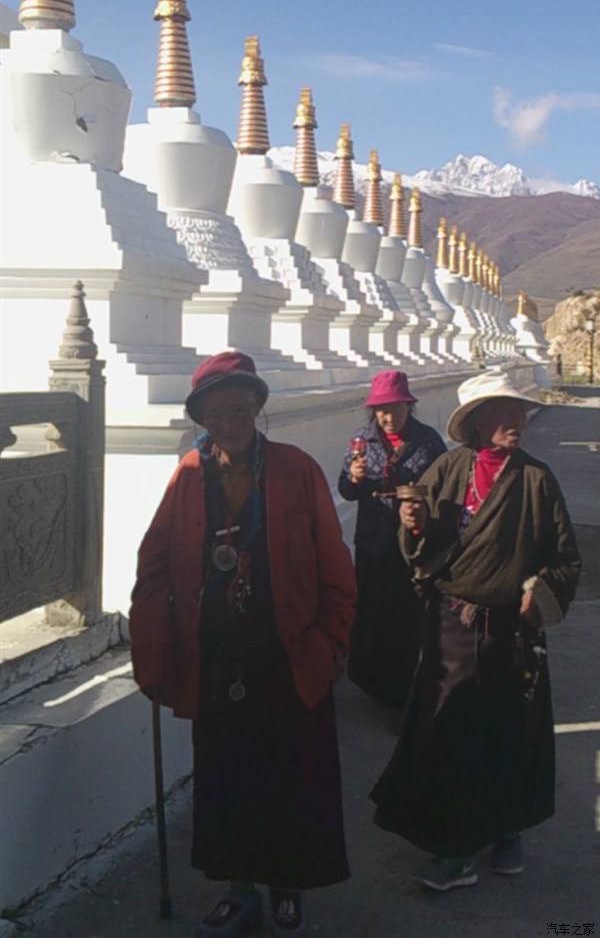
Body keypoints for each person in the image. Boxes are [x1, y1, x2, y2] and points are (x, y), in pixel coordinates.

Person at [129, 352, 356, 938]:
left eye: (239, 408)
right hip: (217, 658)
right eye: (215, 412)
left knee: (290, 775)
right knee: (227, 777)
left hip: (288, 653)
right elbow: (154, 565)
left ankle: (287, 888)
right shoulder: (188, 476)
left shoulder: (295, 468)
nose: (228, 421)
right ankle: (239, 891)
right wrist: (152, 649)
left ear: (257, 408)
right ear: (201, 417)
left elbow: (334, 560)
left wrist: (332, 641)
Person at [370, 370, 581, 889]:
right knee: (450, 733)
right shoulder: (449, 469)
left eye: (519, 411)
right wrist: (414, 526)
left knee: (509, 733)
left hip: (511, 632)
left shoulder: (536, 480)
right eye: (503, 412)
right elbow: (421, 547)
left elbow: (565, 557)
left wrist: (538, 593)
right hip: (452, 626)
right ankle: (456, 847)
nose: (516, 420)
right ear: (476, 422)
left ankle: (508, 829)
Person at [338, 370, 446, 709]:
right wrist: (353, 479)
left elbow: (443, 488)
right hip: (373, 542)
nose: (388, 417)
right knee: (371, 612)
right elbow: (346, 490)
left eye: (395, 409)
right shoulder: (362, 441)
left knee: (406, 616)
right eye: (381, 410)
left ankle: (404, 692)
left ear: (408, 406)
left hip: (411, 544)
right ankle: (371, 683)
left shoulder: (427, 441)